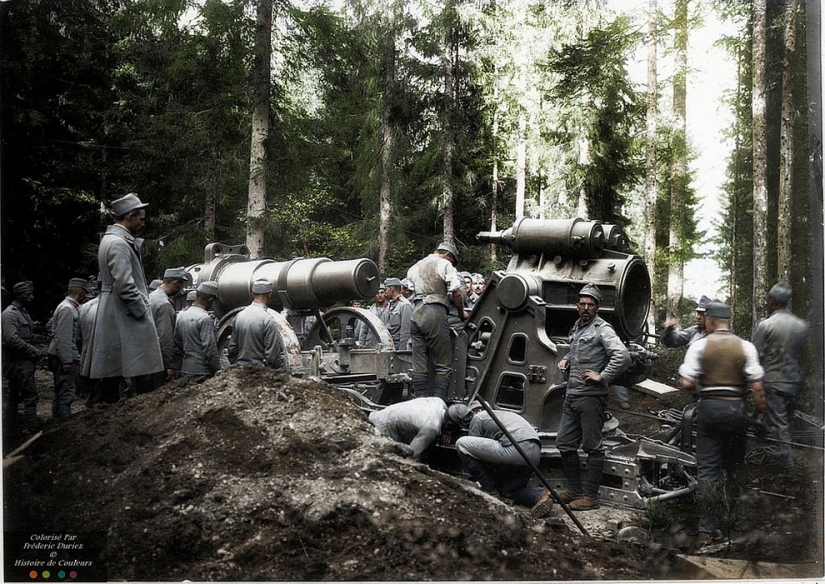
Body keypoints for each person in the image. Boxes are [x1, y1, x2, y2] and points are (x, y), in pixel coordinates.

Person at [678, 301, 766, 544]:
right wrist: (760, 414)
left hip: (710, 409)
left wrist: (704, 389)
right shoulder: (745, 346)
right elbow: (758, 387)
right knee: (735, 467)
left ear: (709, 319)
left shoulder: (700, 346)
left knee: (707, 472)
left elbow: (686, 382)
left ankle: (706, 530)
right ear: (728, 320)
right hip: (737, 409)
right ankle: (733, 524)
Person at [82, 193, 164, 402]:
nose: (142, 223)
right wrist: (142, 311)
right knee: (132, 368)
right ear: (129, 216)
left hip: (113, 308)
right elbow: (125, 285)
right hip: (122, 312)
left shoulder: (112, 239)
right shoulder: (119, 243)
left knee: (114, 369)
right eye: (140, 219)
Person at [555, 284, 630, 510]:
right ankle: (575, 491)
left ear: (597, 308)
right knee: (564, 443)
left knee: (592, 446)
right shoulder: (578, 326)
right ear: (577, 305)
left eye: (591, 304)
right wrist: (567, 358)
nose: (586, 308)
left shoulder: (602, 328)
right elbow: (576, 349)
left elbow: (622, 356)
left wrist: (603, 376)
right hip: (572, 394)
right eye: (582, 303)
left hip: (590, 397)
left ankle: (591, 497)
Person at [455, 401, 554, 519]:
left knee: (462, 444)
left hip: (515, 449)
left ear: (475, 411)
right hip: (534, 452)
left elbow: (476, 453)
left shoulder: (478, 417)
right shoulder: (505, 415)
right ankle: (540, 497)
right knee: (509, 490)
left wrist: (480, 480)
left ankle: (490, 490)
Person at [751, 283, 809, 470]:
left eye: (768, 300)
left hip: (774, 382)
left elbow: (756, 355)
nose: (765, 303)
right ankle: (775, 446)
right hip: (794, 381)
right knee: (785, 419)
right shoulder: (801, 325)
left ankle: (789, 466)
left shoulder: (766, 325)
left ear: (775, 303)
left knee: (780, 423)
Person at [406, 243, 467, 400]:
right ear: (448, 256)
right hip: (434, 312)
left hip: (416, 314)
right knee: (443, 365)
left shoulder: (414, 267)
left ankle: (419, 402)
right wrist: (461, 314)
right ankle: (438, 403)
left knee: (419, 365)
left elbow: (410, 291)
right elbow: (457, 293)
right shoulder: (445, 264)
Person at [2, 281, 43, 441]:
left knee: (14, 397)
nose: (31, 297)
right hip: (18, 362)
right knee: (29, 397)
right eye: (27, 295)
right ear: (19, 296)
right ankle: (30, 433)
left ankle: (10, 432)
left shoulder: (22, 312)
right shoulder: (10, 314)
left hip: (23, 362)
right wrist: (32, 350)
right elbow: (11, 339)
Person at [46, 278, 89, 420]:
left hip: (59, 353)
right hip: (64, 355)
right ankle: (63, 424)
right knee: (67, 392)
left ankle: (56, 421)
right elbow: (63, 337)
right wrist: (66, 361)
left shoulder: (66, 306)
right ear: (81, 293)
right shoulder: (68, 309)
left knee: (61, 390)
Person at [368, 397, 455, 461]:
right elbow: (412, 454)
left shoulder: (439, 402)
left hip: (387, 414)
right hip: (384, 425)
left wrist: (446, 431)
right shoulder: (431, 428)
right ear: (449, 423)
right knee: (389, 459)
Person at [227, 279, 284, 369]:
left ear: (252, 294)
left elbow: (232, 350)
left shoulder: (239, 316)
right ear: (270, 295)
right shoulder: (268, 319)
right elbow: (272, 356)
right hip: (259, 373)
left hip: (240, 370)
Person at [149, 267, 190, 386]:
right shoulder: (164, 304)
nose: (181, 289)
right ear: (175, 283)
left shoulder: (151, 297)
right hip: (159, 362)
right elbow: (165, 337)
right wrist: (170, 365)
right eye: (181, 285)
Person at [174, 281, 221, 381]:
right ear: (210, 300)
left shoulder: (181, 316)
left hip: (186, 369)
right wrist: (218, 370)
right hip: (202, 373)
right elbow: (209, 349)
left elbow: (177, 344)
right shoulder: (205, 318)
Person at [383, 277, 412, 350]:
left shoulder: (405, 305)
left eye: (386, 289)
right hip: (390, 345)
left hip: (399, 346)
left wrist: (403, 350)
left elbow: (406, 331)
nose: (385, 292)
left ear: (392, 289)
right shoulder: (390, 304)